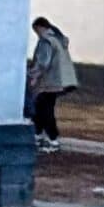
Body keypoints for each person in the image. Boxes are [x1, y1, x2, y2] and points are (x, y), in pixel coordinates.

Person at [25, 18, 78, 151]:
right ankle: (40, 136)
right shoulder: (57, 39)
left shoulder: (46, 41)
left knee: (44, 110)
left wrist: (32, 75)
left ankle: (51, 139)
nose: (36, 33)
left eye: (35, 30)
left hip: (49, 81)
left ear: (39, 27)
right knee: (43, 108)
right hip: (59, 81)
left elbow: (43, 62)